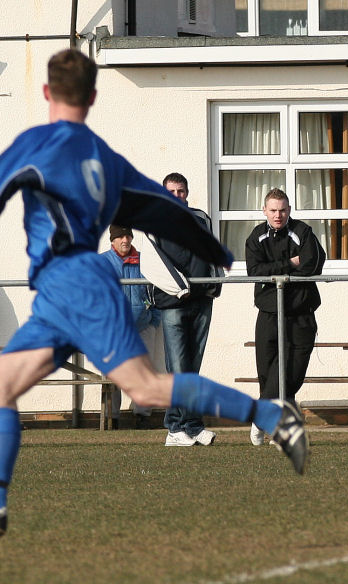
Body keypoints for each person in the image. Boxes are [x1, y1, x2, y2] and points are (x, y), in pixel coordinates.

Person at [0, 49, 308, 536]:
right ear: (93, 97)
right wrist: (216, 253)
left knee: (114, 386)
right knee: (133, 386)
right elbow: (165, 213)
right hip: (82, 288)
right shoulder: (107, 158)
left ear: (45, 94)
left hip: (70, 286)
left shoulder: (34, 143)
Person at [138, 173, 222, 447]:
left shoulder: (201, 219)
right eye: (171, 191)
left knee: (192, 368)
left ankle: (193, 426)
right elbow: (152, 263)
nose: (177, 196)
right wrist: (180, 287)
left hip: (201, 301)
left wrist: (214, 285)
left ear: (187, 192)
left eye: (181, 191)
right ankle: (174, 427)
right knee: (178, 368)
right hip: (173, 303)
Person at [245, 188, 325, 446]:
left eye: (282, 210)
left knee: (291, 374)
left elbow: (312, 264)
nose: (278, 215)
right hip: (268, 314)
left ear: (289, 210)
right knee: (268, 374)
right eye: (273, 210)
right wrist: (289, 264)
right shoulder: (257, 237)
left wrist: (282, 274)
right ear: (264, 211)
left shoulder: (303, 232)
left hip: (300, 314)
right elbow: (255, 271)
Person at [101, 225, 161, 429]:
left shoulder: (144, 260)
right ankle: (112, 418)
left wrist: (154, 319)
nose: (125, 240)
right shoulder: (102, 262)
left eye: (128, 235)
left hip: (143, 326)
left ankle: (143, 415)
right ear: (112, 240)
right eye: (120, 237)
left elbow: (157, 290)